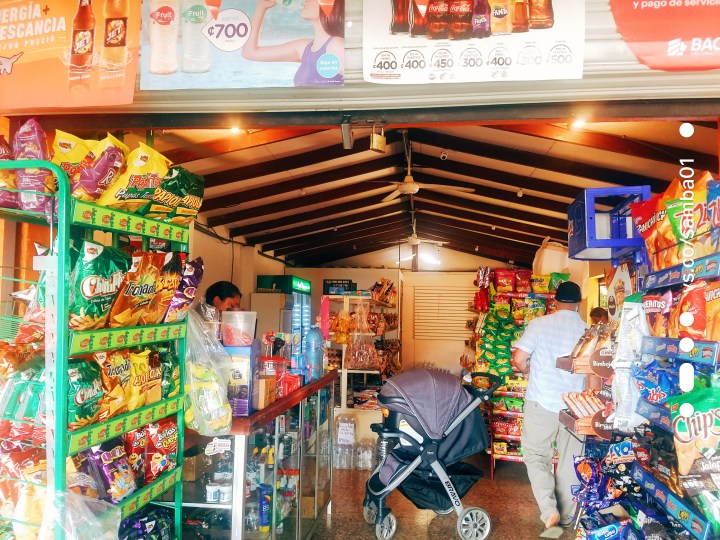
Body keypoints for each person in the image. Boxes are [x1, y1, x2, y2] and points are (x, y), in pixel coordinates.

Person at [510, 281, 598, 530]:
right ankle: (567, 514)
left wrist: (528, 371)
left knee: (537, 456)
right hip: (576, 407)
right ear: (579, 303)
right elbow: (593, 375)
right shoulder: (588, 331)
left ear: (555, 301)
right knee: (572, 459)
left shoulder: (539, 324)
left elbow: (519, 358)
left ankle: (549, 510)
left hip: (541, 402)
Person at [242, 0, 345, 87]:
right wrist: (261, 7)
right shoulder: (305, 48)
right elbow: (249, 52)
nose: (306, 0)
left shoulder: (336, 45)